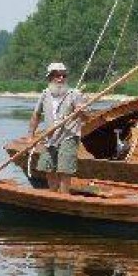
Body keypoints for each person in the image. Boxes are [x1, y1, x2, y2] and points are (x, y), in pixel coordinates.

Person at [27, 63, 87, 193]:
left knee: (64, 169)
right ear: (50, 78)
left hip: (69, 135)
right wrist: (30, 136)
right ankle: (53, 193)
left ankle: (64, 196)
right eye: (57, 76)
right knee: (47, 167)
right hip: (50, 137)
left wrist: (80, 111)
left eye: (64, 76)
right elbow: (36, 115)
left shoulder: (75, 94)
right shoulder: (45, 94)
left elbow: (85, 117)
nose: (61, 78)